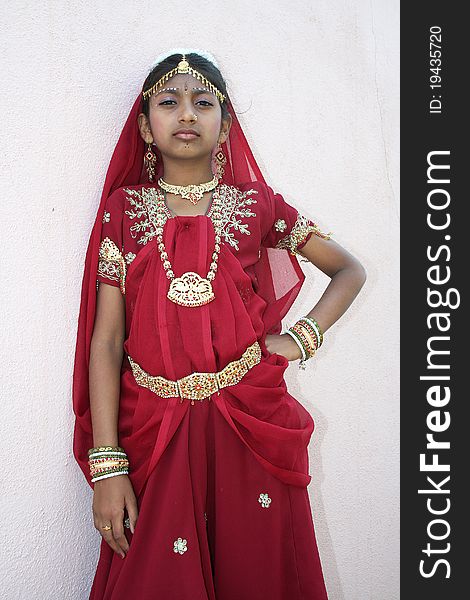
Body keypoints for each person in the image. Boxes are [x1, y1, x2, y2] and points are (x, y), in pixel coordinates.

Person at [72, 48, 366, 600]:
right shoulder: (123, 209)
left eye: (203, 102)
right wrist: (108, 465)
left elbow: (348, 270)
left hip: (248, 423)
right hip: (155, 432)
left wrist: (300, 338)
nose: (187, 114)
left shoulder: (256, 207)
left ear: (225, 124)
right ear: (144, 125)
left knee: (255, 571)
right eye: (169, 101)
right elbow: (107, 341)